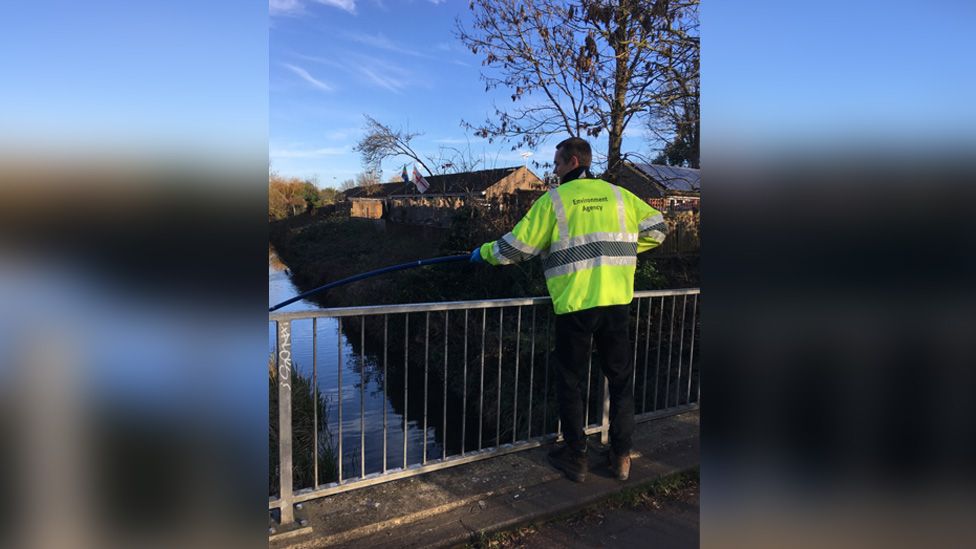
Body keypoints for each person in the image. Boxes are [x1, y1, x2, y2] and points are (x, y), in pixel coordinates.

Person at [470, 137, 667, 482]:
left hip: (575, 306)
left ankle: (577, 457)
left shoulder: (554, 202)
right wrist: (623, 252)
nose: (554, 170)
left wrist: (483, 253)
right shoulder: (620, 196)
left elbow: (517, 247)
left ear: (573, 162)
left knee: (570, 381)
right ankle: (621, 457)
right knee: (620, 382)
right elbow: (659, 229)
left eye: (557, 164)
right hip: (616, 302)